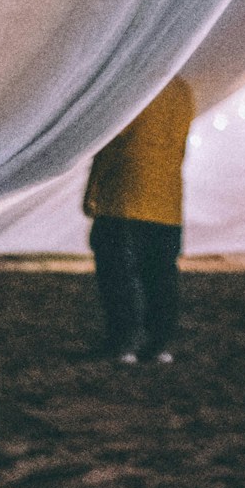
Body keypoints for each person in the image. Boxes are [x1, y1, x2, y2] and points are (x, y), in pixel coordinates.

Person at [84, 73, 194, 363]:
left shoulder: (134, 85)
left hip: (124, 198)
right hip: (167, 201)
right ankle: (159, 344)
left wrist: (93, 191)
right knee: (160, 275)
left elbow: (109, 144)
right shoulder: (182, 91)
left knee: (118, 273)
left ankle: (124, 343)